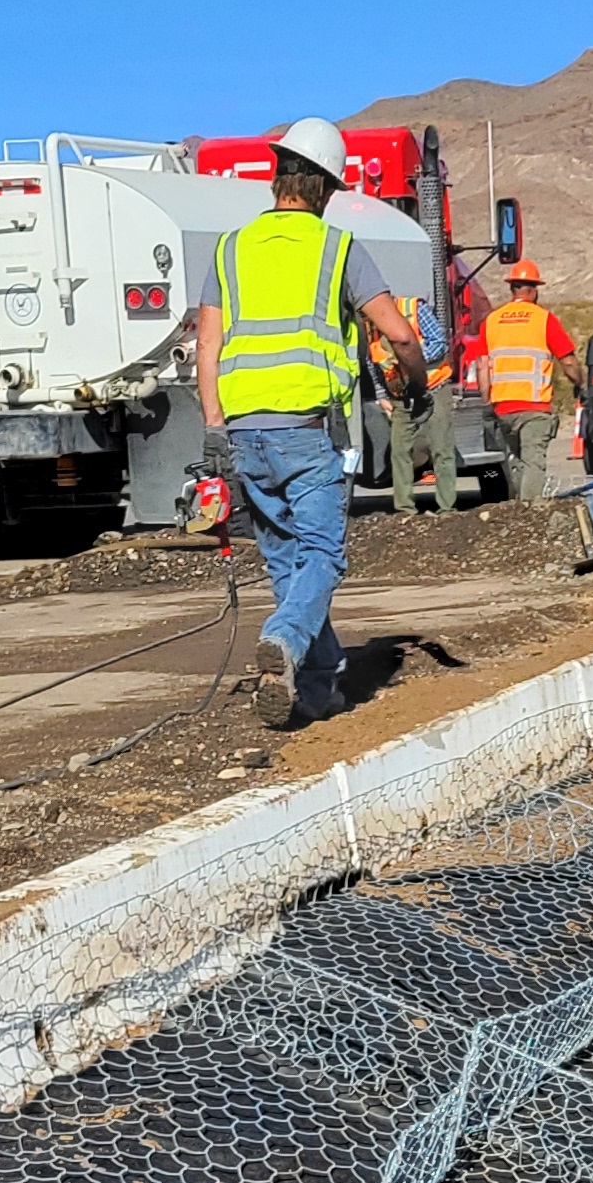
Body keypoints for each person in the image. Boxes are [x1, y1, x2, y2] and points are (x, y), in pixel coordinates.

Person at [196, 116, 427, 728]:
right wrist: (418, 381)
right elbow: (400, 333)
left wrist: (214, 429)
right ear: (325, 187)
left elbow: (208, 347)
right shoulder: (339, 248)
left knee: (285, 561)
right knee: (323, 553)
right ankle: (283, 637)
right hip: (307, 429)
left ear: (278, 176)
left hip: (245, 433)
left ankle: (317, 687)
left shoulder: (228, 249)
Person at [480, 260, 573, 501]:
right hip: (534, 406)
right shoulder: (543, 319)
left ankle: (518, 511)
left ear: (512, 288)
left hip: (502, 407)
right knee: (533, 462)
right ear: (533, 290)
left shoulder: (492, 320)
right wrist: (579, 383)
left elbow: (483, 365)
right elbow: (569, 361)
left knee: (516, 461)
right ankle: (529, 515)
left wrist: (487, 400)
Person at [376, 289, 456, 513]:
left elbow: (439, 343)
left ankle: (447, 509)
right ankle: (405, 509)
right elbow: (373, 363)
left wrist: (411, 360)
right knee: (400, 450)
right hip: (401, 395)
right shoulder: (370, 325)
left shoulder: (413, 309)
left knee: (442, 448)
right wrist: (382, 395)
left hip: (434, 386)